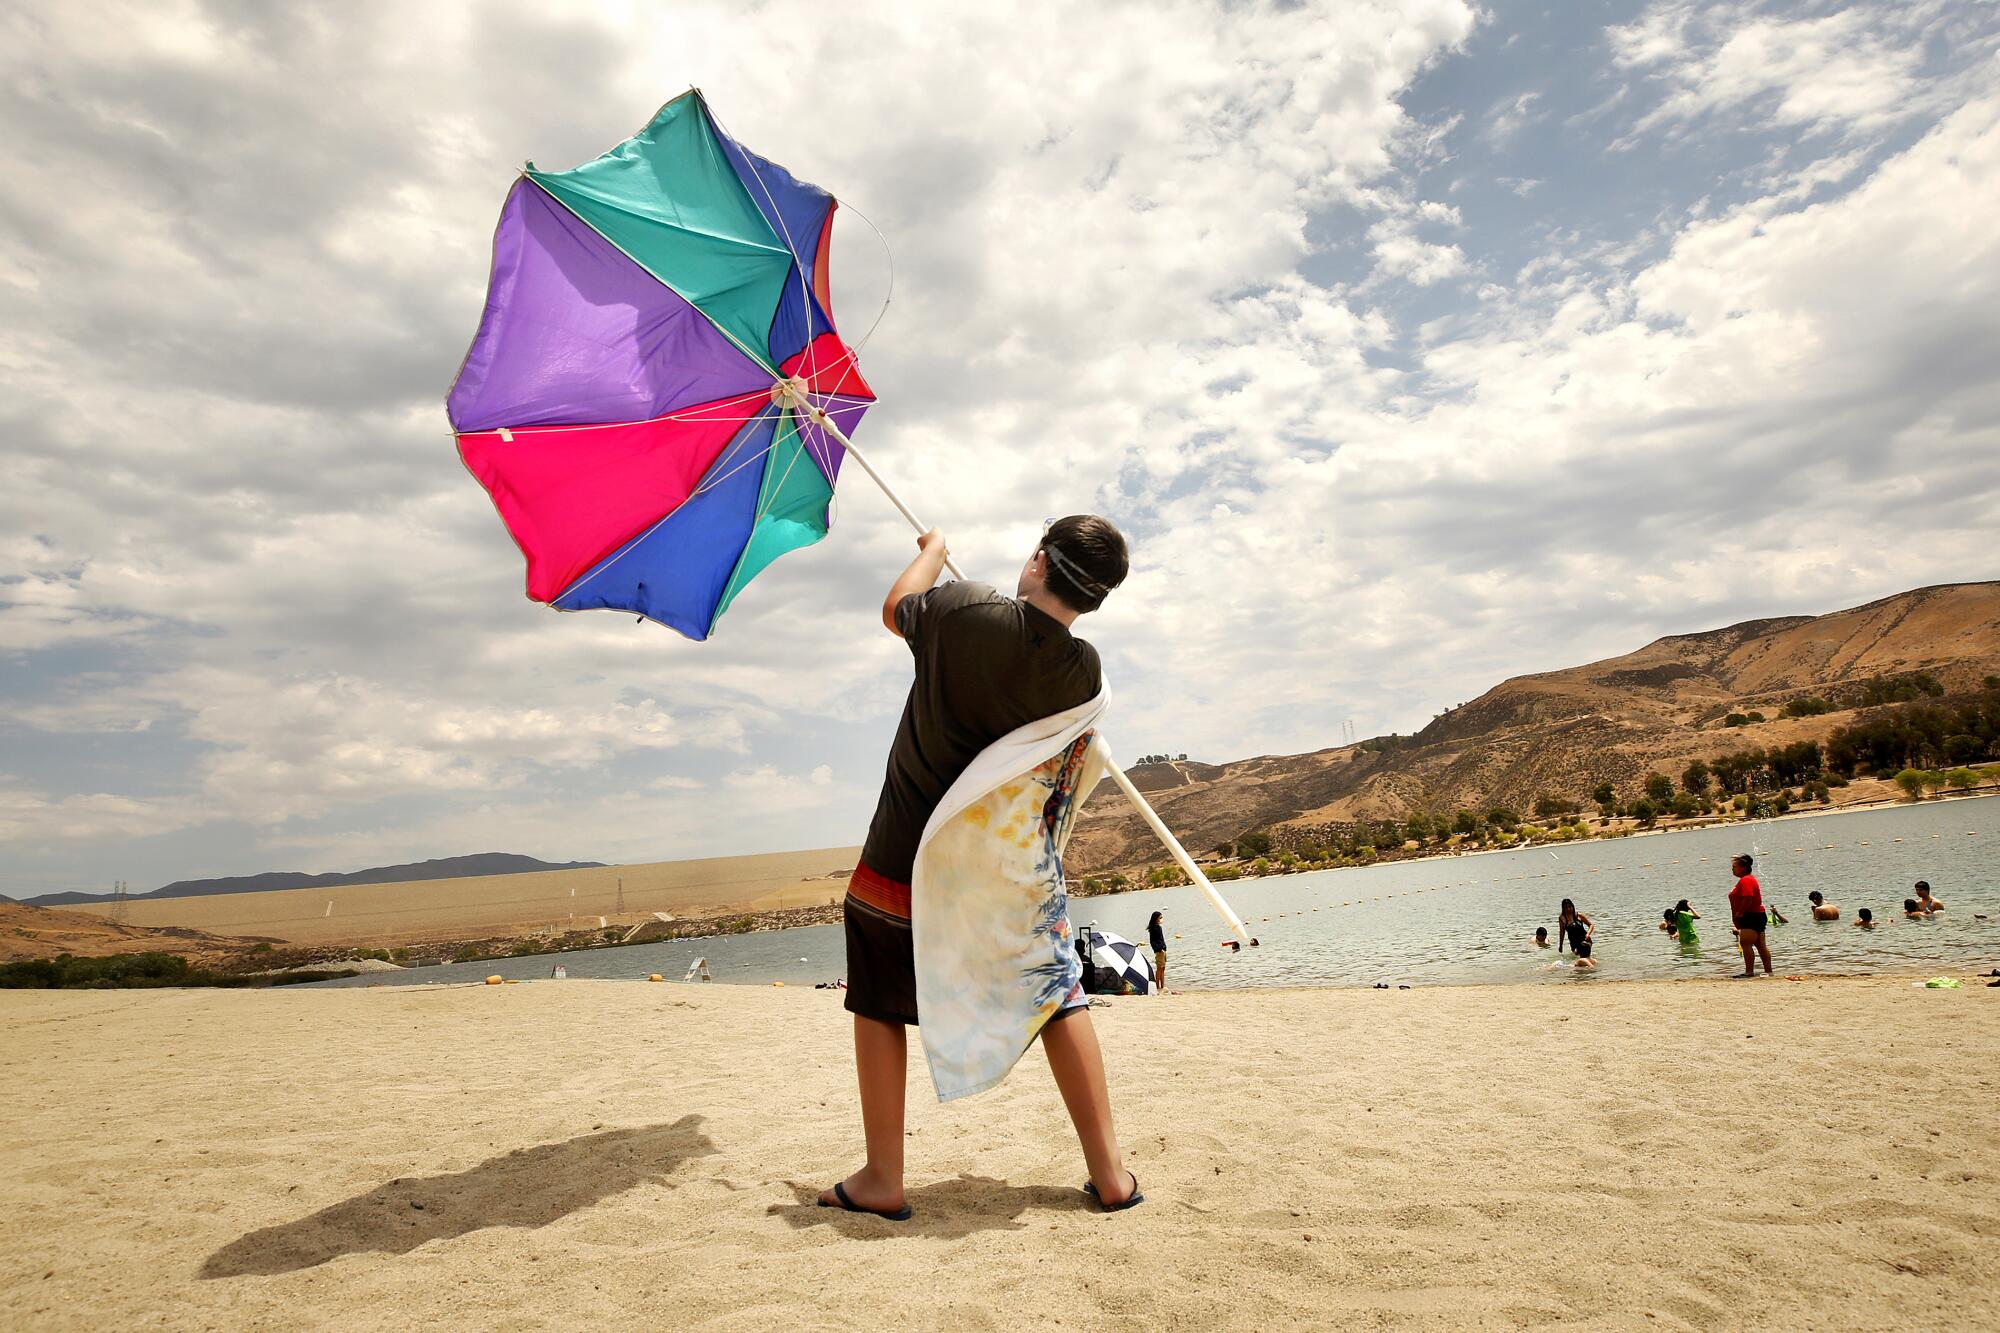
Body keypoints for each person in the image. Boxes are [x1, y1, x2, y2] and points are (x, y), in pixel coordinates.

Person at [821, 516, 1138, 1221]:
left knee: (877, 997)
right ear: (1095, 599)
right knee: (1059, 991)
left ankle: (883, 1175)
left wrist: (932, 553)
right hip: (1002, 873)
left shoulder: (964, 609)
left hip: (906, 846)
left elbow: (895, 608)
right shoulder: (1082, 671)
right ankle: (1110, 1173)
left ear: (1036, 561)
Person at [1729, 853, 1772, 977]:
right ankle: (1768, 971)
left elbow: (1748, 897)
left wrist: (1739, 913)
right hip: (1757, 915)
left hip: (1751, 916)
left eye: (1734, 867)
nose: (1732, 869)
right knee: (1760, 945)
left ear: (1743, 868)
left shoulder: (1746, 880)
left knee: (1745, 943)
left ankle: (1749, 971)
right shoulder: (1748, 879)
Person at [1557, 899, 1595, 968]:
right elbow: (1562, 932)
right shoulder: (1562, 918)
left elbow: (1591, 925)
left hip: (1585, 940)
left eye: (1569, 907)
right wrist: (1560, 945)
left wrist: (1588, 934)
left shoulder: (1579, 915)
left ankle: (1586, 973)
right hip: (1574, 942)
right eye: (1566, 907)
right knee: (1577, 959)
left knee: (1585, 958)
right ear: (1563, 908)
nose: (1568, 909)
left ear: (1572, 906)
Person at [1147, 910, 1168, 992]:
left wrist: (1165, 949)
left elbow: (1162, 939)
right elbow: (1153, 941)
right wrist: (1159, 949)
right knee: (1159, 968)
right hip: (1159, 951)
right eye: (1160, 918)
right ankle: (1158, 986)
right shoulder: (1153, 929)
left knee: (1163, 968)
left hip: (1163, 950)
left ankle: (1162, 986)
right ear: (1156, 918)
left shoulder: (1159, 927)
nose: (1161, 919)